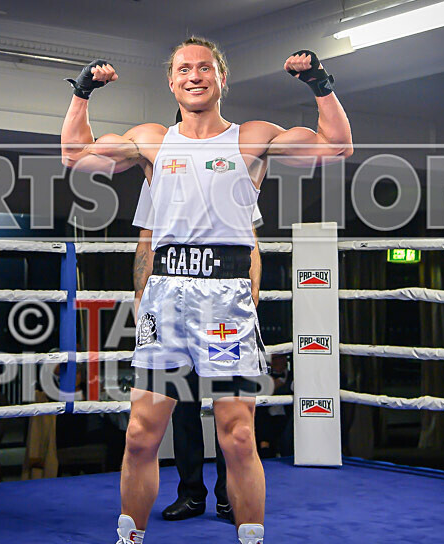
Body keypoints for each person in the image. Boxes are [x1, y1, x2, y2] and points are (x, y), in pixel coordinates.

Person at [61, 37, 352, 544]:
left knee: (237, 436)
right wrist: (81, 94)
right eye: (183, 69)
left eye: (203, 68)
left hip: (225, 299)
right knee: (140, 434)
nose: (193, 76)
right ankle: (129, 538)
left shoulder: (252, 137)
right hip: (166, 296)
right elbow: (74, 155)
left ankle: (250, 538)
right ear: (171, 82)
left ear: (221, 79)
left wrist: (320, 85)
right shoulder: (152, 140)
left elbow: (337, 146)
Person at [133, 179, 263, 523]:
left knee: (230, 405)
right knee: (181, 401)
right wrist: (141, 297)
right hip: (172, 304)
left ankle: (229, 496)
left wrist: (252, 292)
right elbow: (147, 239)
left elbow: (249, 236)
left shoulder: (231, 173)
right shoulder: (160, 172)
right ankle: (191, 493)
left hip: (223, 306)